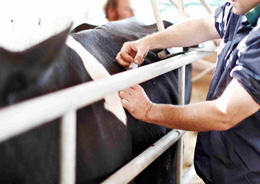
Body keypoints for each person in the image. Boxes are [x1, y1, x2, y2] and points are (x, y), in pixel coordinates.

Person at [116, 0, 260, 183]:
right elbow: (203, 26)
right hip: (227, 169)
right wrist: (148, 42)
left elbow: (225, 113)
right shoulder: (241, 12)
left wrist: (149, 110)